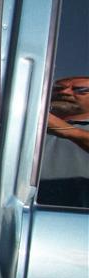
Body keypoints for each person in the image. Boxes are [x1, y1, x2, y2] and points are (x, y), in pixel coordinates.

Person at [39, 76, 89, 207]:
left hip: (72, 220)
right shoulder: (24, 126)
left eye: (80, 90)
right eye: (58, 88)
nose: (64, 92)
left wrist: (68, 131)